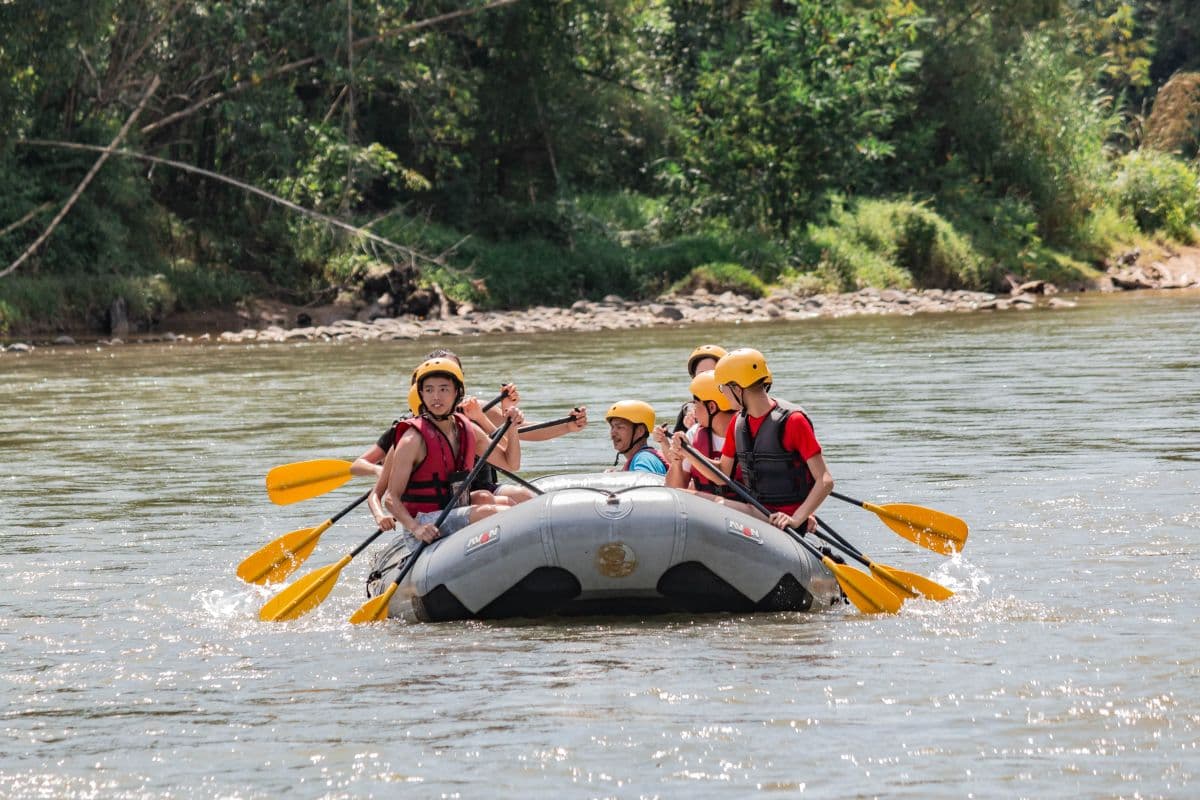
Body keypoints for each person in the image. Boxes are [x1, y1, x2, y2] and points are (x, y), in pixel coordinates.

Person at [373, 357, 525, 543]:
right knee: (491, 512)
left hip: (454, 510)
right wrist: (416, 528)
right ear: (421, 395)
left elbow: (512, 464)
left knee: (507, 504)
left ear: (457, 393)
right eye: (429, 390)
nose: (436, 396)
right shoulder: (412, 439)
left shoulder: (469, 430)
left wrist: (512, 428)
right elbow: (391, 498)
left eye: (443, 389)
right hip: (425, 523)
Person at [696, 348, 833, 533]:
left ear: (737, 388)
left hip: (785, 521)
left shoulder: (793, 421)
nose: (723, 394)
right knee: (695, 499)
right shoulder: (738, 422)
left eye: (723, 388)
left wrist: (796, 518)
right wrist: (688, 452)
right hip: (757, 511)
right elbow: (721, 474)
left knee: (713, 506)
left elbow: (825, 480)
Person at [656, 369, 738, 497]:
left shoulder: (744, 432)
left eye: (696, 403)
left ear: (711, 407)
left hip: (742, 511)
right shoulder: (694, 434)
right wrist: (677, 461)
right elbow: (674, 489)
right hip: (703, 511)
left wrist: (689, 453)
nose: (693, 410)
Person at [674, 344, 727, 433]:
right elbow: (674, 444)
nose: (707, 378)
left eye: (712, 372)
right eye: (702, 374)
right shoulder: (688, 412)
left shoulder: (738, 408)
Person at [605, 401, 668, 475]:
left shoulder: (644, 459)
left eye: (620, 427)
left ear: (640, 431)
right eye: (612, 427)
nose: (613, 433)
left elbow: (643, 483)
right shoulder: (641, 458)